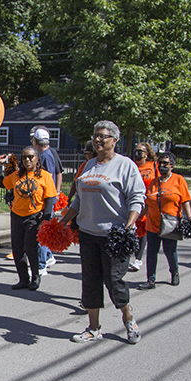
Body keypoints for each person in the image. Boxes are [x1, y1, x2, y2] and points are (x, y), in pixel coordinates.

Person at [60, 120, 144, 344]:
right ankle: (93, 327)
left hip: (114, 236)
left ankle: (128, 318)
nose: (97, 139)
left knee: (114, 281)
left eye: (103, 136)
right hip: (88, 233)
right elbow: (78, 200)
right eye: (95, 135)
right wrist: (62, 222)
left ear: (114, 140)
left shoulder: (125, 166)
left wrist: (128, 226)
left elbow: (137, 199)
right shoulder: (89, 166)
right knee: (90, 281)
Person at [0, 146, 56, 291]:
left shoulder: (45, 176)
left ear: (37, 159)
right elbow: (0, 183)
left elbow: (51, 198)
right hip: (17, 215)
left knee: (30, 248)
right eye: (24, 157)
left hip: (34, 216)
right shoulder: (17, 175)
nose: (27, 160)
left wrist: (45, 219)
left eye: (30, 157)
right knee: (17, 249)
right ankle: (23, 279)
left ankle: (35, 277)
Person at [138, 152, 191, 290]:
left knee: (170, 251)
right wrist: (137, 217)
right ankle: (150, 280)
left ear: (172, 165)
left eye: (165, 163)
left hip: (170, 223)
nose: (162, 166)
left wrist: (190, 218)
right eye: (160, 163)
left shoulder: (179, 180)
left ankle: (174, 271)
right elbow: (148, 202)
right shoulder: (154, 182)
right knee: (151, 252)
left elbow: (185, 201)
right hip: (153, 223)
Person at [31, 127, 61, 275]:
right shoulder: (48, 154)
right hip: (47, 198)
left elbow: (47, 179)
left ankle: (41, 265)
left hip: (46, 199)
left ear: (36, 142)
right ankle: (48, 257)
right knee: (44, 230)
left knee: (41, 231)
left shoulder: (46, 156)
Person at [129, 142, 157, 272]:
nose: (138, 153)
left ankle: (138, 259)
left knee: (142, 229)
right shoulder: (131, 165)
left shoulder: (153, 166)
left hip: (147, 200)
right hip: (132, 199)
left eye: (141, 151)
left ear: (147, 154)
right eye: (136, 151)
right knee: (131, 226)